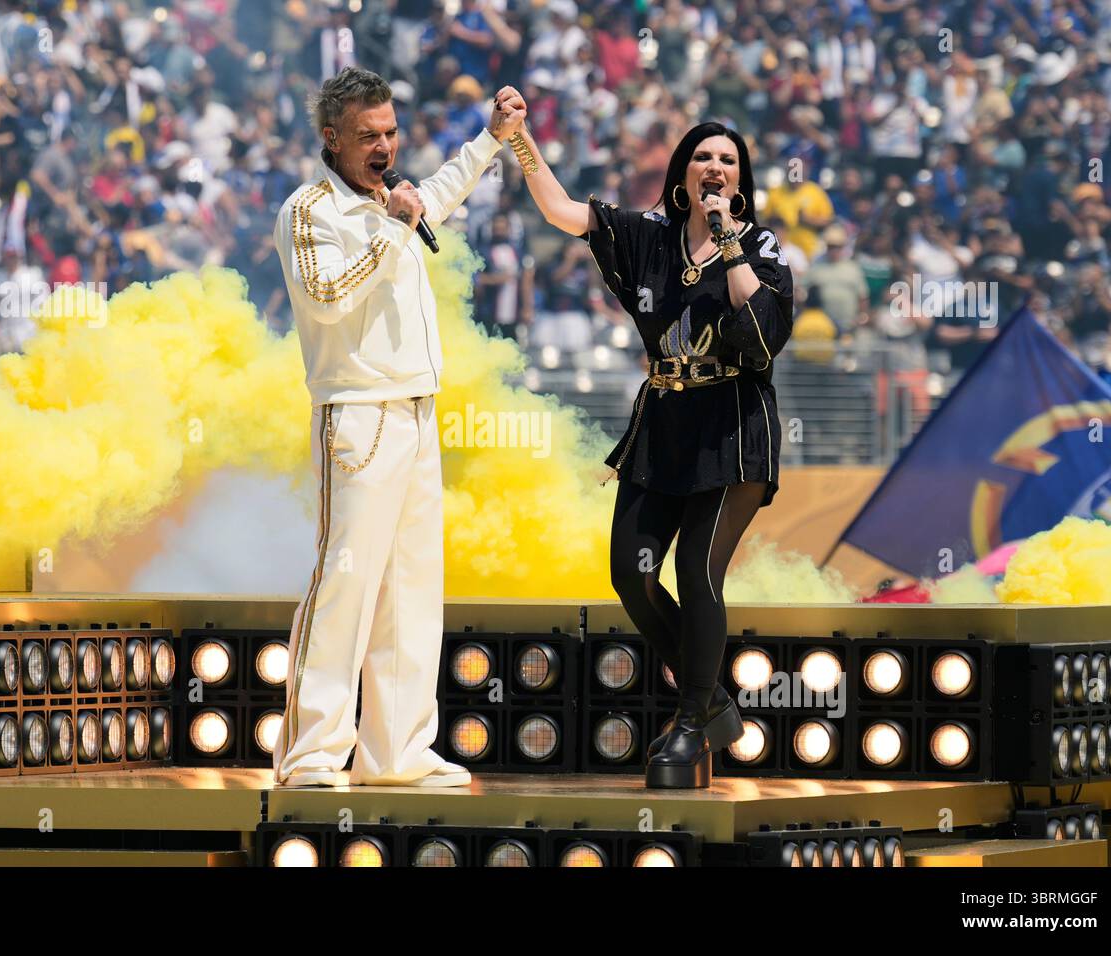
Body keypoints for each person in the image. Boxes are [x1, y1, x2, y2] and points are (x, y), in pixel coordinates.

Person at [508, 111, 795, 789]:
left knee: (697, 570)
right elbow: (558, 209)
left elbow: (758, 339)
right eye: (703, 158)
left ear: (740, 181)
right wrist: (516, 138)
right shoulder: (648, 236)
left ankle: (692, 718)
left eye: (728, 160)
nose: (715, 169)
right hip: (663, 426)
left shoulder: (762, 247)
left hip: (732, 430)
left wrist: (728, 243)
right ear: (683, 174)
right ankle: (715, 699)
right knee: (630, 574)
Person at [272, 67, 526, 788]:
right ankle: (312, 755)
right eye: (367, 137)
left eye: (389, 133)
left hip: (416, 410)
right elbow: (325, 299)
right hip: (356, 416)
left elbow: (435, 196)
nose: (383, 147)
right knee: (344, 586)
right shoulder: (309, 209)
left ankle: (396, 755)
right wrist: (393, 229)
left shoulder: (391, 203)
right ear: (331, 138)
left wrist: (491, 140)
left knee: (412, 593)